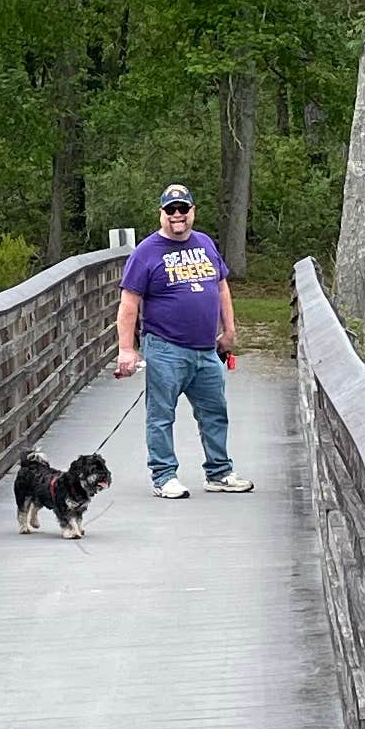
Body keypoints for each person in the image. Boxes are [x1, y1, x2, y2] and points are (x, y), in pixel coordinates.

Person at [114, 185, 253, 499]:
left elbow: (221, 288)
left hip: (206, 348)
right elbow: (129, 303)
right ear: (161, 213)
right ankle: (164, 476)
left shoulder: (204, 243)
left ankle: (219, 472)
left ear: (193, 211)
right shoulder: (146, 252)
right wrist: (126, 349)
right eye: (171, 210)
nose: (177, 215)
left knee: (215, 411)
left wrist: (228, 331)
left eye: (183, 209)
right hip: (165, 347)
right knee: (162, 414)